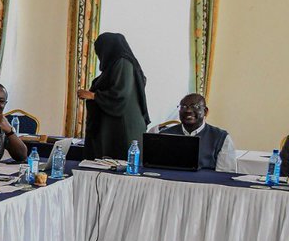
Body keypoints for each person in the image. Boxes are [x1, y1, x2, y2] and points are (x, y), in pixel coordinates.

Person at [77, 32, 150, 160]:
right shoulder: (116, 65)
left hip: (122, 127)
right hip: (114, 126)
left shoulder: (123, 62)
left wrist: (92, 95)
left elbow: (120, 94)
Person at [157, 94, 237, 172]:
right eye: (183, 107)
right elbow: (157, 169)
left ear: (205, 111)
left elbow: (225, 175)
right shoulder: (164, 135)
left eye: (194, 106)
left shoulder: (221, 138)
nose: (188, 111)